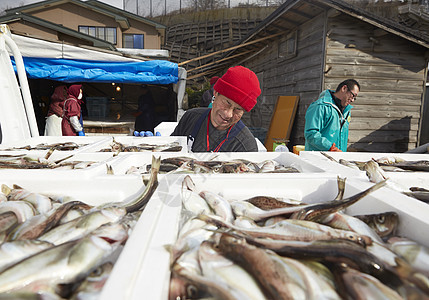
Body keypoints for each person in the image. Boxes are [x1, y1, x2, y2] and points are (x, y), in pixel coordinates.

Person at [171, 65, 261, 152]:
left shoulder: (246, 146)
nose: (228, 114)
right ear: (216, 93)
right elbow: (168, 151)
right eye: (227, 103)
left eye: (238, 109)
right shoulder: (190, 117)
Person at [304, 79, 360, 152]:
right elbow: (311, 134)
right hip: (318, 158)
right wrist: (330, 147)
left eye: (354, 98)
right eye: (353, 95)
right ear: (344, 88)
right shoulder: (320, 107)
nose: (352, 100)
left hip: (337, 158)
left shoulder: (346, 112)